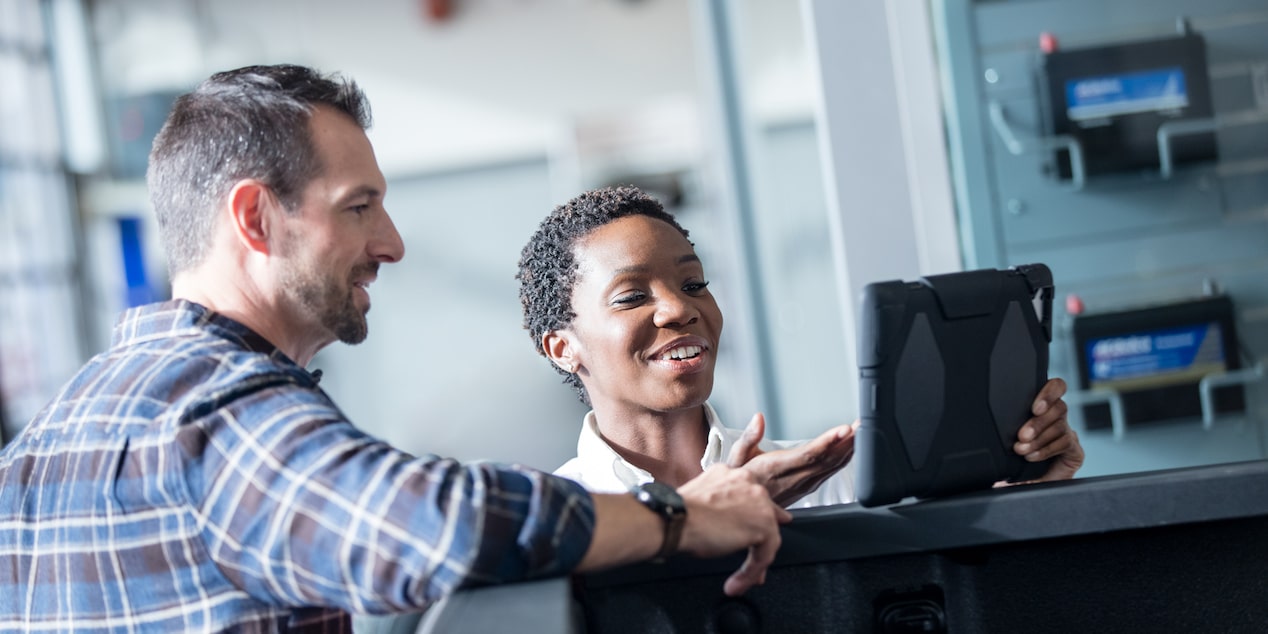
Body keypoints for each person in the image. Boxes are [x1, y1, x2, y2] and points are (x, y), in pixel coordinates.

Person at [0, 66, 791, 632]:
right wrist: (681, 516)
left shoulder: (38, 449)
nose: (392, 243)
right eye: (360, 208)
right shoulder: (217, 408)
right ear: (254, 220)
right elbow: (436, 524)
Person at [515, 186, 1084, 508]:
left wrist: (1023, 491)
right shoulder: (553, 513)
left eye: (693, 284)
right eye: (631, 295)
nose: (679, 309)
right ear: (563, 347)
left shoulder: (830, 478)